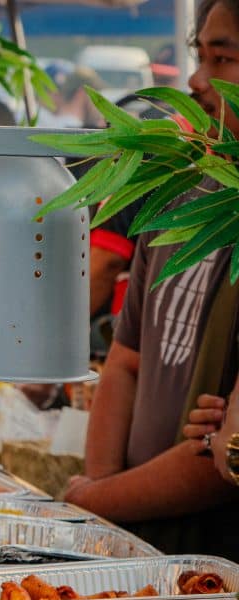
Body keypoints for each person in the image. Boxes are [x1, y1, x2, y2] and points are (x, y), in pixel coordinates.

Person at [63, 0, 239, 560]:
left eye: (222, 59)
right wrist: (101, 510)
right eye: (198, 56)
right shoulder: (179, 191)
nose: (196, 81)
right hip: (138, 540)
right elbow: (125, 361)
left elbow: (221, 455)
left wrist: (96, 500)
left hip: (214, 558)